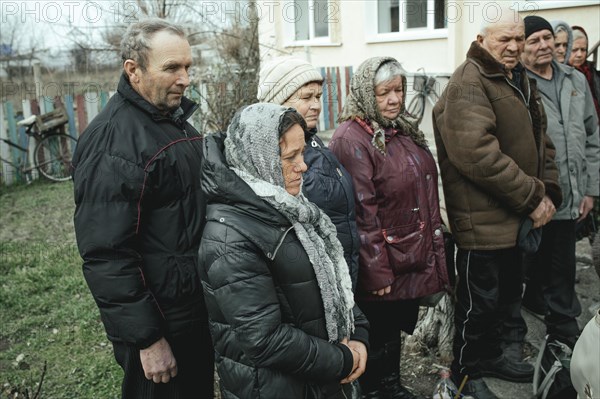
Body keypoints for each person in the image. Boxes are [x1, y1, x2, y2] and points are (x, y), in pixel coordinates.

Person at [72, 19, 214, 398]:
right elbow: (106, 254)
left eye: (187, 67)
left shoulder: (173, 123)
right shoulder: (114, 143)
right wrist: (148, 339)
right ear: (133, 70)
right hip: (162, 323)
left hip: (192, 310)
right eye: (171, 68)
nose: (185, 78)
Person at [432, 9, 562, 399]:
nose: (514, 46)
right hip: (481, 226)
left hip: (511, 220)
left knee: (506, 299)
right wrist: (532, 196)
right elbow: (476, 154)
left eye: (518, 38)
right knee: (477, 306)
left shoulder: (515, 77)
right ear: (481, 39)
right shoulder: (468, 82)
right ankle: (466, 375)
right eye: (504, 39)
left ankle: (489, 358)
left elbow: (542, 140)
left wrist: (549, 191)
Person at [198, 103, 369, 398]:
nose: (302, 166)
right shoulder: (229, 239)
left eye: (301, 153)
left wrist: (359, 335)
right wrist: (342, 360)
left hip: (318, 380)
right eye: (290, 157)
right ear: (259, 160)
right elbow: (265, 340)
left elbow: (333, 284)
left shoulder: (294, 210)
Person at [329, 56, 449, 399]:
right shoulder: (352, 138)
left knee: (391, 331)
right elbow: (361, 211)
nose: (395, 99)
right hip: (382, 263)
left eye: (398, 90)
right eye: (384, 93)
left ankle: (390, 386)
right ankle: (379, 391)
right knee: (378, 332)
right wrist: (378, 271)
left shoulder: (396, 130)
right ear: (367, 93)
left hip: (403, 254)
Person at [519, 15, 600, 348]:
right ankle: (531, 317)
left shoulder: (575, 81)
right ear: (521, 47)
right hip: (535, 196)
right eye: (534, 40)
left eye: (547, 38)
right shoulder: (517, 85)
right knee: (531, 262)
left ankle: (564, 332)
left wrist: (591, 190)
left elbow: (593, 137)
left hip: (571, 192)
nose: (543, 45)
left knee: (563, 264)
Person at [257, 56, 360, 289]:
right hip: (312, 284)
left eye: (318, 97)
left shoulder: (314, 142)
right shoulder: (270, 155)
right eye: (306, 97)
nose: (316, 105)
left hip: (342, 275)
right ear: (278, 100)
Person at [569, 26, 600, 120]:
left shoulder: (592, 72)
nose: (579, 55)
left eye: (583, 50)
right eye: (574, 50)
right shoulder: (561, 74)